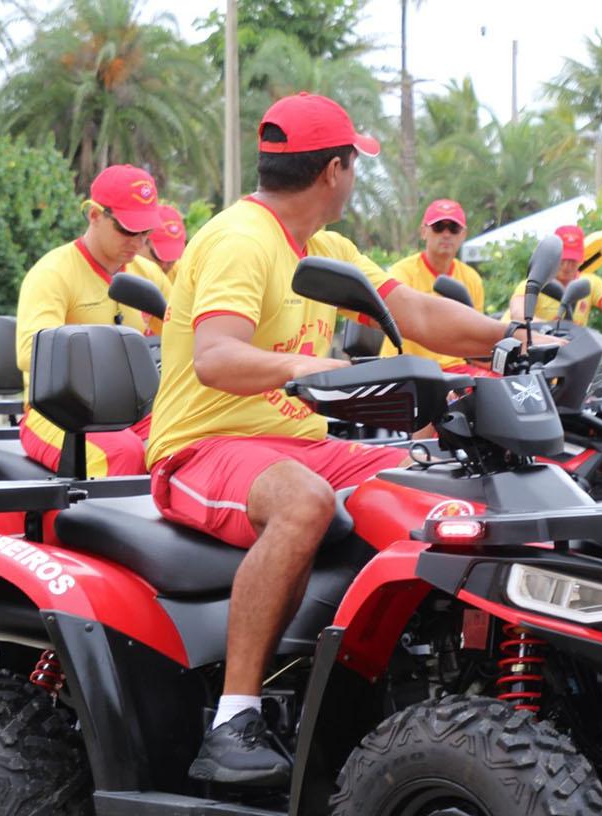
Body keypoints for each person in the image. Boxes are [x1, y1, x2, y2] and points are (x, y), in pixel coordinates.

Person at [145, 92, 561, 787]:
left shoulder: (323, 247)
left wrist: (512, 336)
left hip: (298, 442)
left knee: (428, 484)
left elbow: (413, 313)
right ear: (334, 170)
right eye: (355, 164)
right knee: (305, 503)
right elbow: (215, 358)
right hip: (206, 443)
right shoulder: (240, 240)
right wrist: (300, 365)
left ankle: (417, 676)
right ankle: (233, 719)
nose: (356, 175)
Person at [15, 165, 172, 476]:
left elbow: (181, 335)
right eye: (128, 229)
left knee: (183, 445)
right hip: (58, 412)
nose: (138, 243)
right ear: (95, 216)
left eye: (145, 232)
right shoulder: (53, 272)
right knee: (123, 454)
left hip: (135, 409)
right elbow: (29, 352)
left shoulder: (149, 274)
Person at [381, 198, 491, 375]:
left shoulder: (472, 278)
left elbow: (475, 338)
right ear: (424, 231)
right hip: (407, 369)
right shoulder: (401, 273)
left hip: (455, 369)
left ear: (463, 235)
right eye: (438, 227)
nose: (446, 234)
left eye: (453, 228)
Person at [504, 225, 602, 325]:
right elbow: (518, 314)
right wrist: (548, 329)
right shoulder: (532, 284)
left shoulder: (589, 283)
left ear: (581, 258)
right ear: (553, 256)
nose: (566, 266)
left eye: (572, 260)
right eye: (562, 259)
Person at [140, 204, 188, 281]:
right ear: (140, 240)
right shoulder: (121, 271)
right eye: (158, 258)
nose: (165, 266)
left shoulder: (180, 273)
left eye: (172, 260)